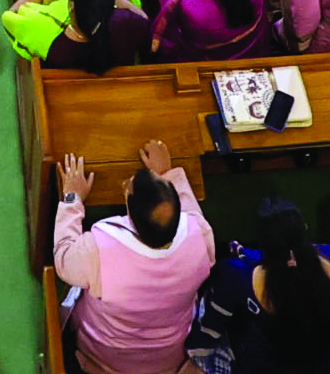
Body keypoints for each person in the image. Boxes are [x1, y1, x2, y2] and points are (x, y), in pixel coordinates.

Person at [54, 147, 217, 374]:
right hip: (169, 356)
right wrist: (167, 172)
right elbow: (191, 212)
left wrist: (72, 198)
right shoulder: (200, 235)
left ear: (129, 214)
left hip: (103, 357)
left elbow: (63, 259)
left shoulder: (98, 250)